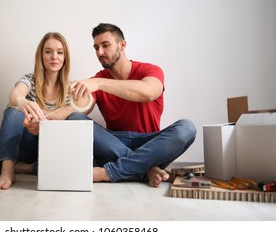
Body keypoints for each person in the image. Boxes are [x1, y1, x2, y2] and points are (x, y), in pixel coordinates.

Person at [68, 23, 197, 187]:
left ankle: (111, 172)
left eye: (105, 45)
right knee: (74, 118)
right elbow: (78, 110)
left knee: (187, 128)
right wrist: (61, 104)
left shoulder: (150, 70)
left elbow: (148, 92)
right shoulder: (96, 80)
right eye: (96, 48)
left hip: (151, 146)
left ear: (122, 45)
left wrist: (99, 83)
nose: (100, 52)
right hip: (114, 145)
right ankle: (146, 169)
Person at [0, 32, 75, 190]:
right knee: (13, 109)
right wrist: (22, 102)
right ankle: (8, 170)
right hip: (27, 145)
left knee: (75, 119)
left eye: (59, 52)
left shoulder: (70, 88)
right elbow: (15, 94)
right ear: (41, 55)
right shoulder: (30, 79)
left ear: (65, 57)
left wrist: (42, 115)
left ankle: (27, 168)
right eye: (48, 51)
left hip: (51, 149)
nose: (54, 57)